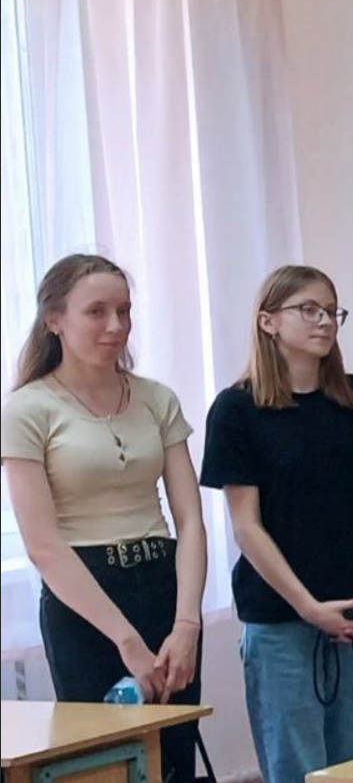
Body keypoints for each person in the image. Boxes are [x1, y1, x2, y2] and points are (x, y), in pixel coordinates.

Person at [1, 254, 205, 783]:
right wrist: (126, 640)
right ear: (54, 319)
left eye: (124, 310)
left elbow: (189, 521)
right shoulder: (27, 409)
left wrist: (187, 624)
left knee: (174, 759)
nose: (115, 325)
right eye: (96, 311)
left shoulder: (156, 398)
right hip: (84, 602)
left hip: (162, 587)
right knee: (104, 765)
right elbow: (43, 545)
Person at [201, 265, 353, 783]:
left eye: (332, 311)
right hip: (281, 622)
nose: (325, 321)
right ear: (268, 321)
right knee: (297, 769)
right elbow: (247, 527)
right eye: (308, 310)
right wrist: (309, 608)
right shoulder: (237, 409)